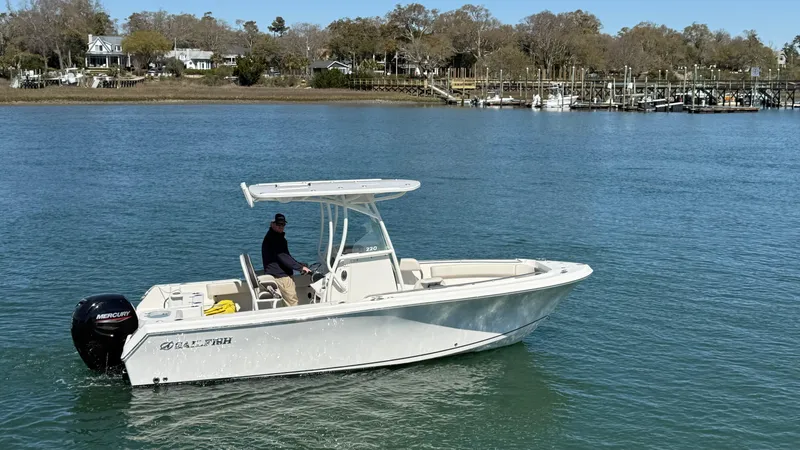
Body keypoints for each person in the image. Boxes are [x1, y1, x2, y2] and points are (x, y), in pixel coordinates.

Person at [261, 213, 311, 307]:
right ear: (272, 224)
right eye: (278, 224)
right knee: (292, 302)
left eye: (283, 224)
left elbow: (286, 256)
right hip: (281, 276)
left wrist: (300, 265)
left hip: (277, 273)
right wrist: (300, 268)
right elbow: (283, 257)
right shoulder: (275, 239)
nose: (281, 226)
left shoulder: (275, 236)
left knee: (288, 302)